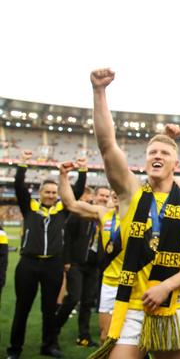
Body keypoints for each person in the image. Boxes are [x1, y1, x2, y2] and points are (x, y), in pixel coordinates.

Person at [88, 68, 180, 359]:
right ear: (145, 161)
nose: (157, 156)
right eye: (152, 152)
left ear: (176, 163)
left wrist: (166, 286)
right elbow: (107, 146)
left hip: (173, 303)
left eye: (164, 153)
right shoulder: (130, 194)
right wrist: (99, 92)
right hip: (132, 303)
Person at [7, 150, 86, 359]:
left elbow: (76, 192)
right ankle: (15, 350)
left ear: (58, 194)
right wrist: (23, 164)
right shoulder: (29, 208)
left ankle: (48, 346)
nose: (51, 195)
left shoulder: (62, 210)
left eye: (54, 192)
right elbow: (18, 186)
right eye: (47, 192)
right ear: (40, 193)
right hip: (28, 264)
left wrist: (82, 169)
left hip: (53, 265)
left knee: (49, 309)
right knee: (22, 309)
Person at [55, 164, 121, 344]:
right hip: (96, 272)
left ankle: (84, 336)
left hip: (123, 278)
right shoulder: (103, 213)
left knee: (128, 335)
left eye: (118, 190)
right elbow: (71, 203)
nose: (114, 194)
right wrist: (63, 176)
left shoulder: (138, 213)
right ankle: (55, 330)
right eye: (111, 192)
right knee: (104, 334)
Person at [54, 180, 102, 348]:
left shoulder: (109, 218)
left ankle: (84, 336)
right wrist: (66, 260)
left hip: (94, 265)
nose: (103, 199)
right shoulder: (81, 214)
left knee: (88, 302)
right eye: (101, 196)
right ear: (94, 198)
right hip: (76, 262)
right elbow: (67, 237)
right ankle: (53, 330)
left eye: (106, 196)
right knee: (73, 298)